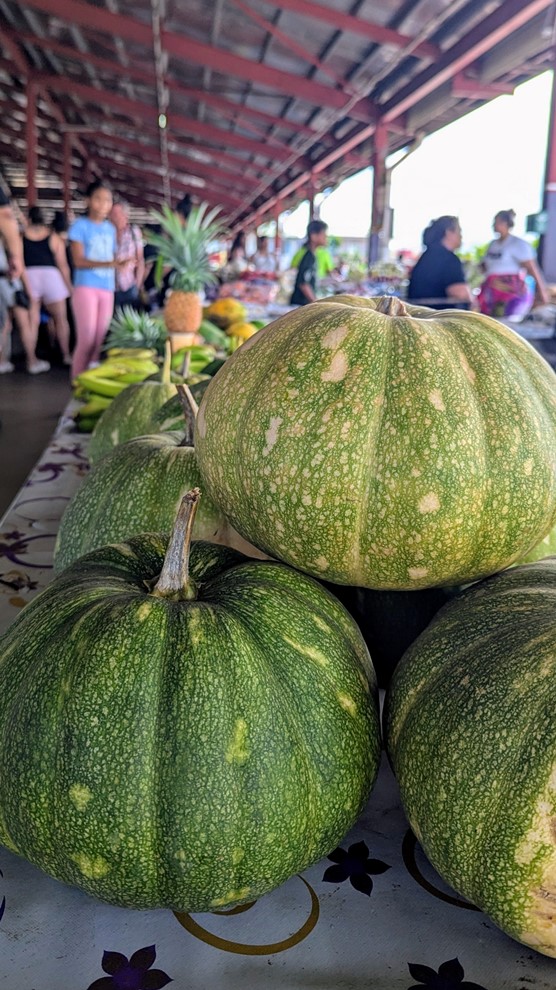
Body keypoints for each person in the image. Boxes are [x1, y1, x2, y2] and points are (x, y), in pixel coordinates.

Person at [68, 179, 119, 378]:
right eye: (98, 199)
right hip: (86, 288)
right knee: (86, 340)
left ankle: (90, 383)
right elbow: (78, 261)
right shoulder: (79, 226)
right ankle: (76, 382)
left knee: (99, 340)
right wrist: (111, 264)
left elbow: (112, 257)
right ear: (88, 200)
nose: (103, 204)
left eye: (107, 200)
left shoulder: (110, 229)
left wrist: (120, 263)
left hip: (107, 288)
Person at [0, 191, 48, 374]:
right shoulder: (11, 230)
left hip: (6, 279)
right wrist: (29, 290)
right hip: (9, 280)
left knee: (5, 324)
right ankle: (32, 360)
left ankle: (3, 360)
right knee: (23, 320)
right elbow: (17, 265)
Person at [23, 206, 72, 366]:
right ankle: (65, 355)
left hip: (29, 277)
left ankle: (31, 359)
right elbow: (63, 265)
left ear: (28, 218)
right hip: (51, 276)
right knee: (60, 319)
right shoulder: (53, 237)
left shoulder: (20, 236)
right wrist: (69, 286)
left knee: (32, 321)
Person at [478, 209, 549, 319]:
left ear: (506, 224)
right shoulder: (492, 244)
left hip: (511, 293)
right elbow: (487, 265)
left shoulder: (518, 244)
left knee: (508, 324)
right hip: (493, 292)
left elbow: (532, 269)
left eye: (497, 222)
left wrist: (542, 292)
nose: (494, 226)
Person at [407, 216, 474, 309]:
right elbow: (461, 294)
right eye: (459, 231)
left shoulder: (426, 256)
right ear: (448, 232)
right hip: (437, 317)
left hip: (418, 315)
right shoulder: (449, 259)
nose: (461, 236)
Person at [110, 200, 145, 310]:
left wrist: (137, 284)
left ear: (125, 215)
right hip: (110, 288)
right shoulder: (106, 233)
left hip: (129, 286)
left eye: (116, 214)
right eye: (111, 214)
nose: (112, 217)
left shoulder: (134, 232)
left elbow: (140, 259)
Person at [289, 220, 329, 305]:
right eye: (324, 234)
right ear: (313, 236)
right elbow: (303, 284)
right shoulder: (308, 257)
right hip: (300, 305)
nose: (326, 237)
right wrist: (316, 303)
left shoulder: (313, 255)